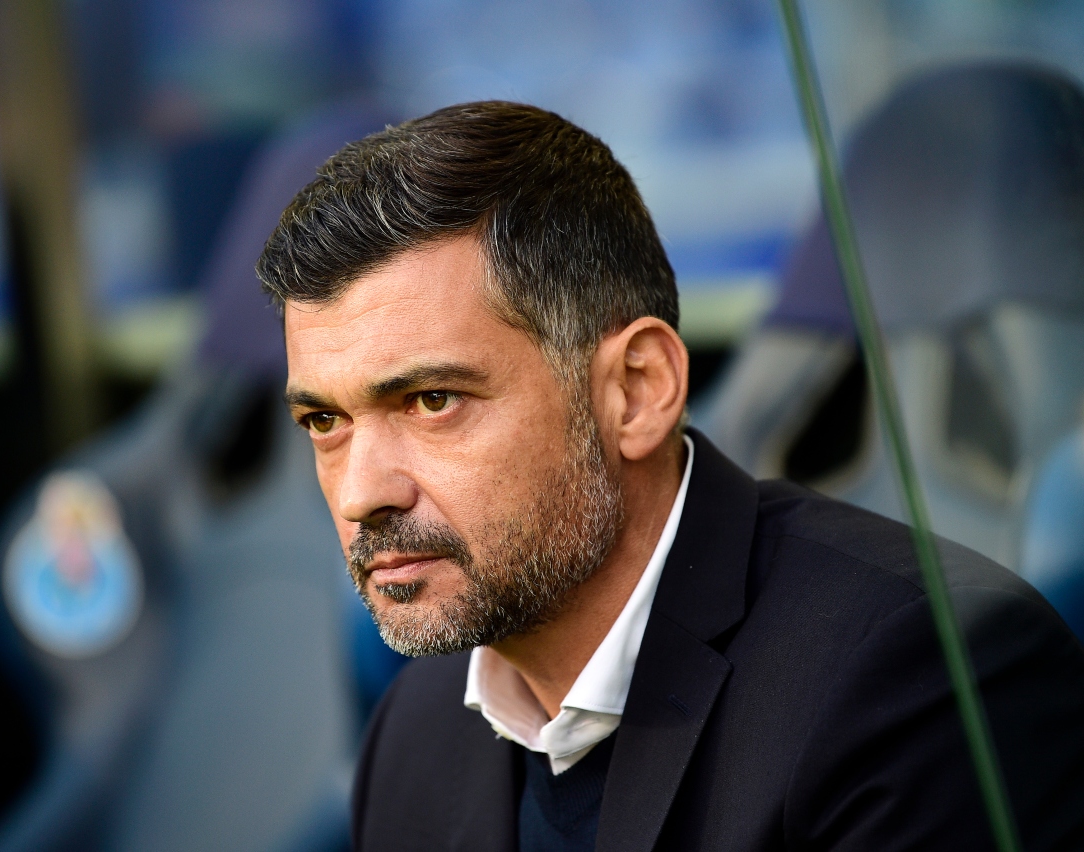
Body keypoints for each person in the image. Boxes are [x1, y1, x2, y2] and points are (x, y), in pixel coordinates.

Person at [256, 101, 1084, 851]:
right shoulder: (414, 730)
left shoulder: (923, 677)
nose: (361, 493)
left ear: (637, 390)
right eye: (324, 421)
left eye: (433, 400)